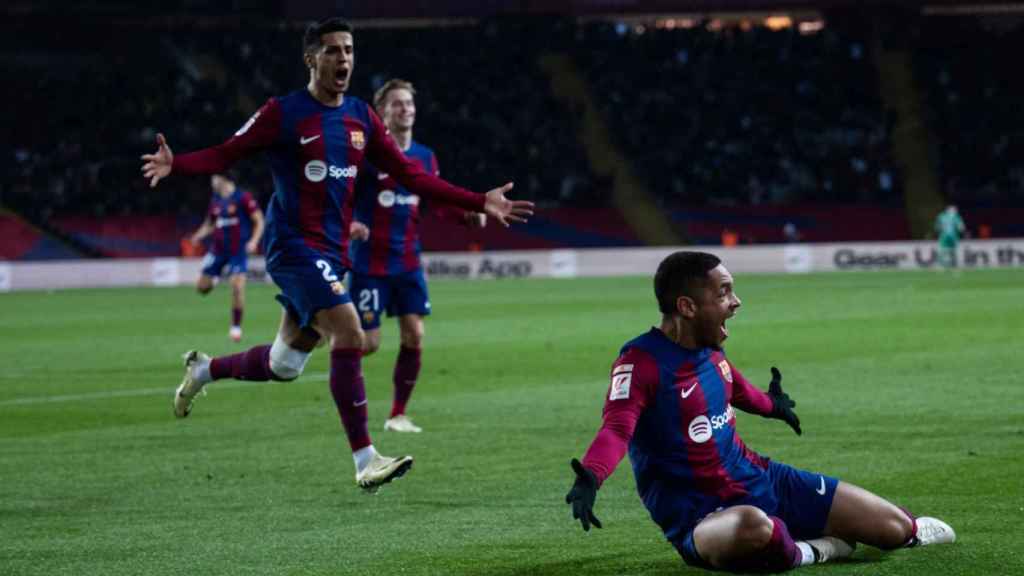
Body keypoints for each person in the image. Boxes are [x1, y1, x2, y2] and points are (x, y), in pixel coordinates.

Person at [141, 18, 533, 491]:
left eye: (348, 50)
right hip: (292, 247)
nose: (343, 59)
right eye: (332, 51)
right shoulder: (282, 113)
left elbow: (412, 176)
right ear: (311, 58)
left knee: (285, 365)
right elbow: (227, 153)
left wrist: (478, 199)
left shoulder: (362, 117)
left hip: (331, 252)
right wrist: (176, 163)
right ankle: (365, 459)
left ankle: (203, 369)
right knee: (350, 331)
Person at [564, 251, 955, 572]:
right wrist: (592, 477)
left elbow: (734, 387)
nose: (736, 302)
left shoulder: (709, 347)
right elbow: (618, 428)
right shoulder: (641, 362)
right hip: (703, 517)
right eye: (724, 292)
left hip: (764, 479)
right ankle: (815, 551)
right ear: (687, 306)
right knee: (752, 526)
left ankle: (813, 536)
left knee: (895, 528)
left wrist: (773, 407)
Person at [348, 79, 486, 434]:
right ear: (383, 113)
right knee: (369, 343)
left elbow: (437, 203)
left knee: (414, 336)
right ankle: (327, 339)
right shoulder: (367, 156)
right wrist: (350, 223)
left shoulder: (425, 156)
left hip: (408, 261)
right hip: (370, 263)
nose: (405, 109)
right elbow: (340, 196)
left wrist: (466, 214)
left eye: (409, 103)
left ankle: (397, 414)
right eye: (397, 104)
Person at [188, 173, 265, 342]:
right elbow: (209, 224)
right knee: (202, 288)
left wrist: (254, 241)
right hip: (217, 250)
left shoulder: (242, 198)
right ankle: (216, 277)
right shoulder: (215, 200)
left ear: (223, 178)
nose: (211, 181)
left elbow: (259, 220)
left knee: (237, 287)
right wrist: (197, 236)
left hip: (238, 252)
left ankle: (236, 327)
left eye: (213, 177)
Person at [935, 205, 966, 271]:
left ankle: (942, 265)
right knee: (952, 251)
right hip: (953, 236)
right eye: (954, 210)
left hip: (944, 236)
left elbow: (937, 227)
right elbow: (961, 227)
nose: (955, 211)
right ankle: (954, 265)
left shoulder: (941, 216)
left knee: (943, 251)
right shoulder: (956, 217)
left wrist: (939, 231)